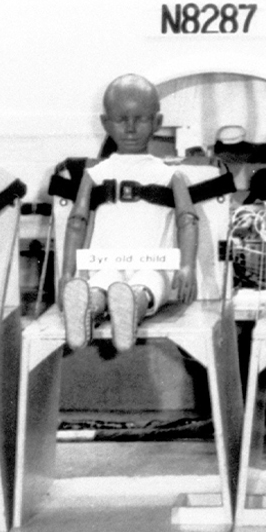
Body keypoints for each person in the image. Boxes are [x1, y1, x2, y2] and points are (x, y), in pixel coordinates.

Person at [60, 75, 200, 353]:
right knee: (105, 284)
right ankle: (92, 309)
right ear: (106, 123)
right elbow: (77, 222)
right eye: (122, 119)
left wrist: (187, 266)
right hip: (107, 263)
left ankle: (116, 308)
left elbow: (188, 221)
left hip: (151, 265)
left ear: (157, 122)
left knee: (144, 284)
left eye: (141, 119)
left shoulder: (169, 176)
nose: (131, 128)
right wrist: (66, 272)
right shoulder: (95, 175)